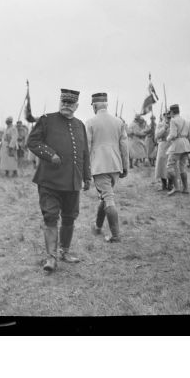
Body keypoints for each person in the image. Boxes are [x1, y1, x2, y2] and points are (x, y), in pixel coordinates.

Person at [27, 88, 91, 273]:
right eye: (64, 102)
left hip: (72, 181)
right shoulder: (47, 120)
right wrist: (50, 154)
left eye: (70, 104)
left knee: (70, 217)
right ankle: (51, 258)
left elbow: (84, 152)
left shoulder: (80, 125)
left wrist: (86, 177)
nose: (66, 106)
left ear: (76, 106)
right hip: (49, 181)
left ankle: (64, 251)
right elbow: (32, 142)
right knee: (51, 216)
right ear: (60, 102)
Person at [85, 92, 129, 242]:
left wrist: (86, 168)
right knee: (105, 197)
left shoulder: (90, 122)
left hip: (99, 165)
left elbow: (87, 147)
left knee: (108, 198)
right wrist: (125, 166)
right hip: (115, 165)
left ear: (95, 105)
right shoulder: (119, 122)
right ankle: (97, 227)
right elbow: (124, 146)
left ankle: (115, 235)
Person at [166, 104, 190, 195]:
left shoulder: (173, 120)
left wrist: (167, 138)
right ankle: (185, 188)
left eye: (170, 112)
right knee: (182, 167)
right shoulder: (186, 121)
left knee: (170, 166)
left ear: (172, 112)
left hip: (177, 144)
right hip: (186, 144)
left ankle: (176, 187)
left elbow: (173, 134)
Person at [154, 111, 172, 191]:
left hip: (171, 145)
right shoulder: (160, 124)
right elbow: (157, 136)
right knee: (161, 165)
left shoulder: (173, 123)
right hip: (162, 145)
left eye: (169, 115)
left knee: (170, 165)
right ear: (164, 116)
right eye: (166, 115)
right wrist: (164, 128)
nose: (168, 117)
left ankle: (170, 185)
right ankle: (164, 184)